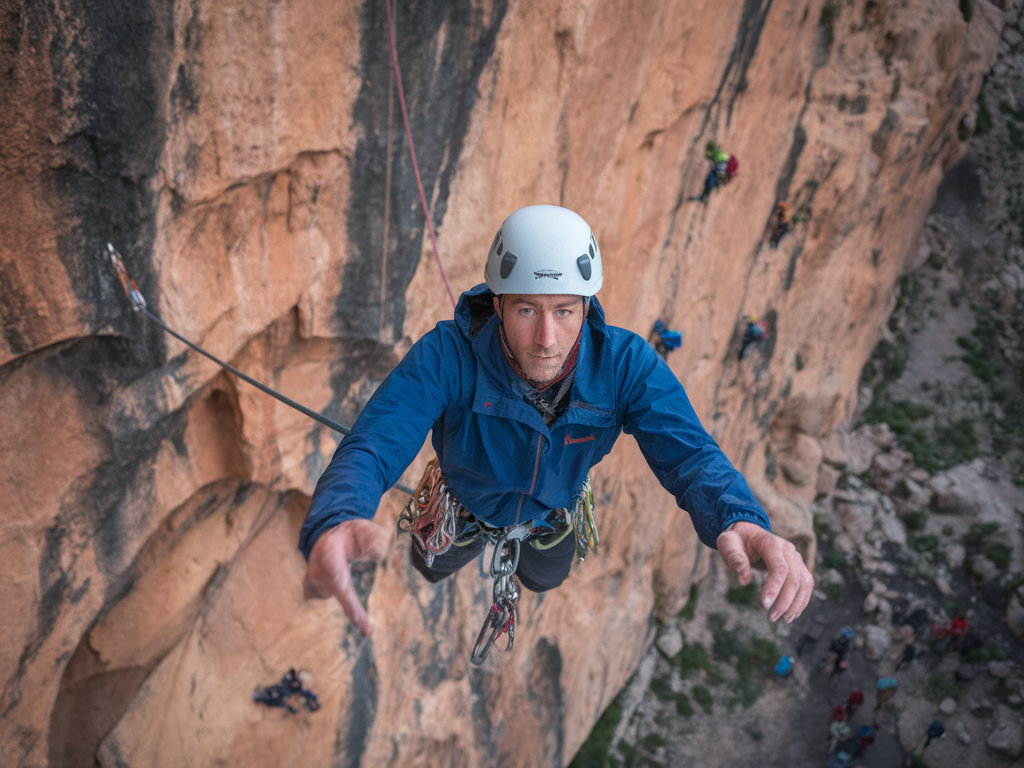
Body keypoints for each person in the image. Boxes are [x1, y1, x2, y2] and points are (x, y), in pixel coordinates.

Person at [299, 205, 814, 647]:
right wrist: (336, 517)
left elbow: (691, 455)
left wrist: (740, 518)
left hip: (552, 507)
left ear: (586, 305)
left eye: (565, 311)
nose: (546, 337)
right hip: (463, 499)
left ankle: (534, 551)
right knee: (429, 562)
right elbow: (374, 444)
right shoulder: (447, 357)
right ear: (497, 303)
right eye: (526, 308)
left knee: (545, 576)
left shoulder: (625, 366)